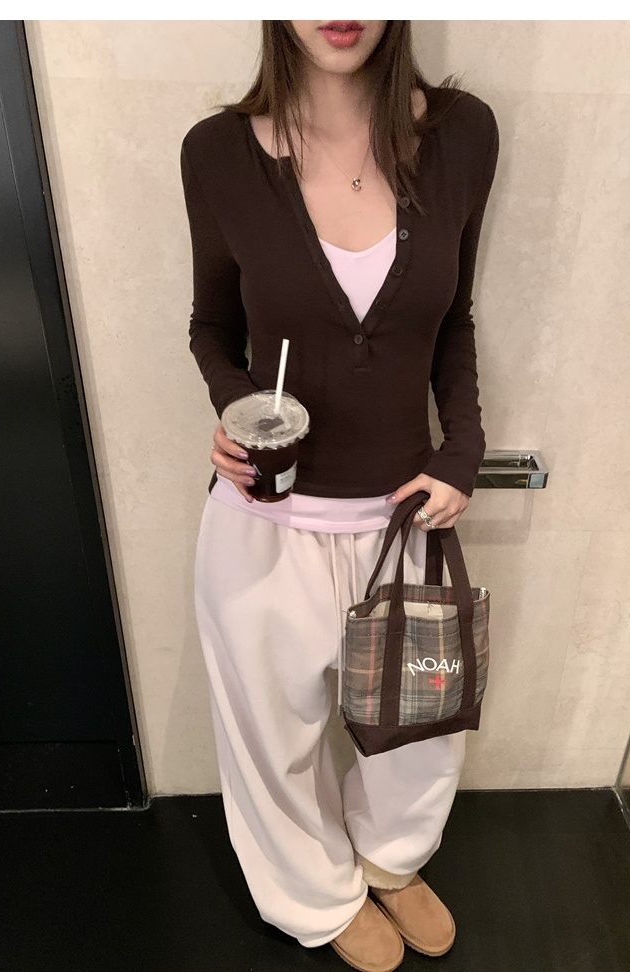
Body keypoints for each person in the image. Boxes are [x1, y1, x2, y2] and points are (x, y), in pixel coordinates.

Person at [181, 19, 498, 972]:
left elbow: (454, 318)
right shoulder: (218, 153)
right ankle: (314, 894)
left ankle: (390, 862)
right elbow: (211, 326)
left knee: (419, 730)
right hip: (265, 523)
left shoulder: (462, 134)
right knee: (273, 738)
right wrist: (237, 407)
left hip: (405, 517)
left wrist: (464, 449)